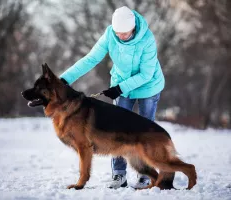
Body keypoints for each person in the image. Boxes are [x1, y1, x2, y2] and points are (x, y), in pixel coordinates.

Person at [60, 6, 165, 189]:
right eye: (118, 33)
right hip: (121, 86)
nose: (121, 36)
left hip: (148, 86)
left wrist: (119, 88)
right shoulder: (110, 35)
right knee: (117, 130)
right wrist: (65, 79)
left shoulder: (147, 39)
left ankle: (145, 174)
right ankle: (119, 175)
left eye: (125, 33)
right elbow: (90, 59)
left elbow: (146, 74)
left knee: (145, 129)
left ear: (133, 28)